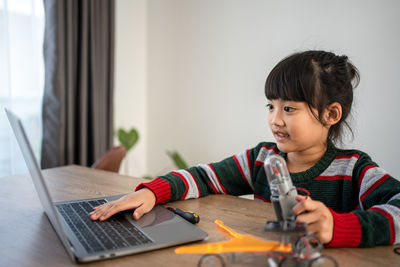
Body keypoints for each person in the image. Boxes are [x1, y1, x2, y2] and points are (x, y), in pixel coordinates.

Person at [90, 50, 400, 247]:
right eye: (270, 106)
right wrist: (151, 192)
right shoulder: (262, 159)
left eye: (289, 109)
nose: (274, 120)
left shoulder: (353, 169)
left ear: (331, 114)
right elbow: (203, 176)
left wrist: (338, 226)